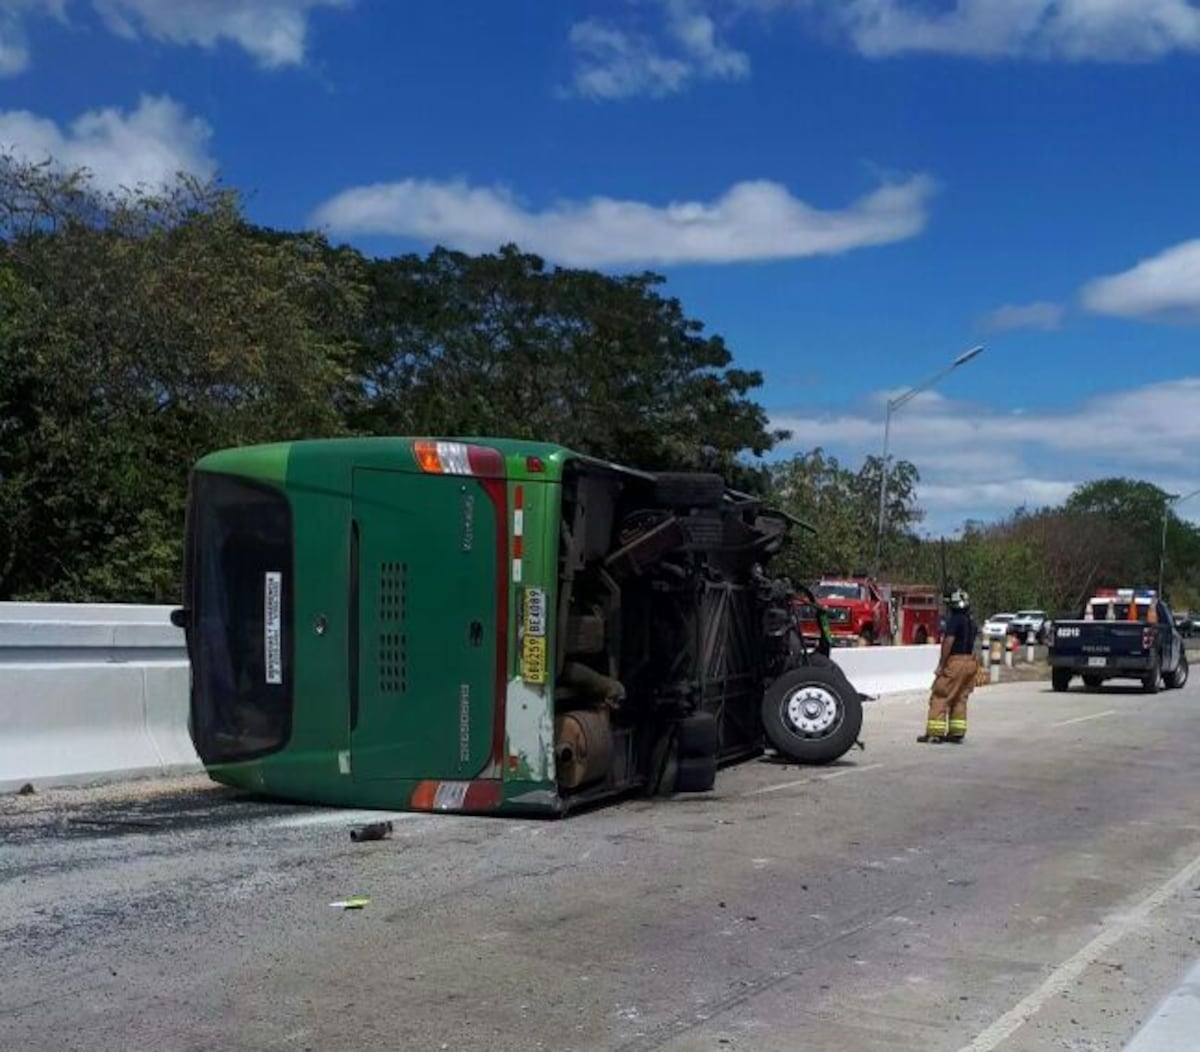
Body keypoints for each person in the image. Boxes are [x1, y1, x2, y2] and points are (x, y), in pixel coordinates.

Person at [918, 588, 979, 744]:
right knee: (959, 696)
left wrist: (942, 665)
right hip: (970, 661)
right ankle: (957, 731)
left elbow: (949, 641)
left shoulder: (955, 619)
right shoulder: (970, 621)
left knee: (940, 695)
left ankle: (935, 733)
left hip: (955, 661)